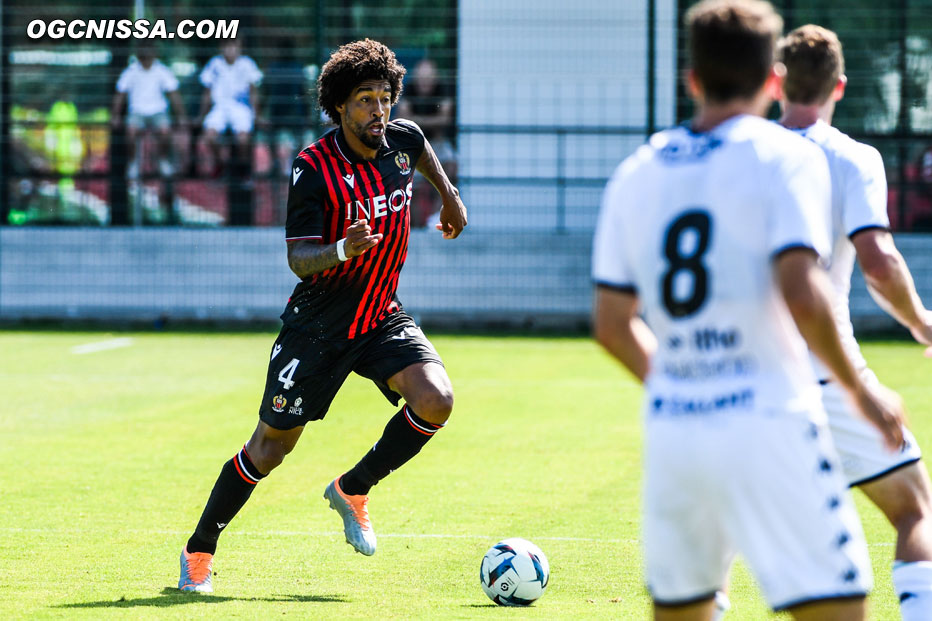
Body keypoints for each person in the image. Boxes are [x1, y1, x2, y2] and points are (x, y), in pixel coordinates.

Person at [592, 1, 905, 620]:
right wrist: (862, 394)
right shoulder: (785, 156)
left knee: (689, 609)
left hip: (676, 431)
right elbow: (802, 289)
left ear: (692, 79)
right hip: (771, 419)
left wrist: (681, 387)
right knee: (837, 609)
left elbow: (610, 324)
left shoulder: (637, 171)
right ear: (772, 80)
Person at [178, 38, 468, 593]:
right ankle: (198, 551)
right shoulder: (313, 167)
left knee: (436, 400)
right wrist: (342, 249)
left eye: (384, 97)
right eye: (364, 99)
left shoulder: (401, 141)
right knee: (270, 448)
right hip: (317, 328)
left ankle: (353, 488)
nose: (378, 111)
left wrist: (450, 198)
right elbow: (297, 258)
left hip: (381, 316)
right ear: (339, 104)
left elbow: (422, 147)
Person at [778, 24, 932, 621]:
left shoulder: (743, 150)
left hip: (742, 378)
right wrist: (921, 323)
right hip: (830, 374)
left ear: (778, 82)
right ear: (840, 86)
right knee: (915, 508)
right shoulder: (851, 157)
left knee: (721, 546)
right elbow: (880, 260)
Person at [394, 58, 456, 227]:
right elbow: (402, 118)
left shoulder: (442, 90)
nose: (425, 82)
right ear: (416, 77)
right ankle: (414, 225)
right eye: (422, 77)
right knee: (410, 183)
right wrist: (430, 122)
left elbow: (444, 119)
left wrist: (416, 122)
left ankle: (436, 218)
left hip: (437, 142)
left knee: (450, 169)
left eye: (429, 77)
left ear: (435, 78)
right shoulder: (409, 89)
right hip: (414, 143)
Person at [110, 45, 187, 179]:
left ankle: (162, 160)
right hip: (137, 112)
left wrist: (181, 116)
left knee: (165, 130)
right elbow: (120, 94)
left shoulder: (162, 71)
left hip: (158, 112)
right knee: (131, 130)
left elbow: (174, 94)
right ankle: (134, 162)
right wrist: (115, 115)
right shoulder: (131, 71)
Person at [197, 39, 263, 176]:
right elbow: (207, 93)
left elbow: (253, 92)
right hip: (219, 108)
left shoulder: (247, 64)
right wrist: (201, 115)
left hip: (241, 108)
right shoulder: (214, 64)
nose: (230, 49)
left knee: (243, 139)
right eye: (227, 45)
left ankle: (243, 170)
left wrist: (256, 114)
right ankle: (220, 163)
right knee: (209, 137)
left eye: (234, 45)